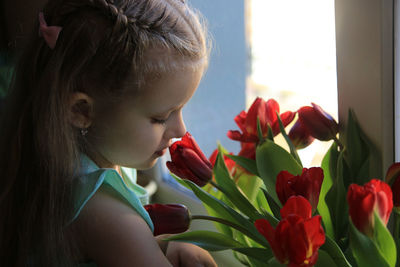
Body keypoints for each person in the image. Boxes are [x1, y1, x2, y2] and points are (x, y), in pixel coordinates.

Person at [0, 0, 216, 266]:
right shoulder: (104, 211)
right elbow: (116, 238)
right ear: (81, 111)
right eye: (160, 118)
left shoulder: (69, 160)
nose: (180, 130)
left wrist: (166, 249)